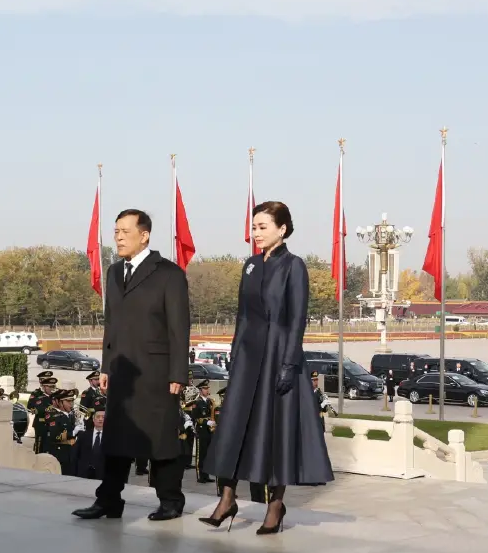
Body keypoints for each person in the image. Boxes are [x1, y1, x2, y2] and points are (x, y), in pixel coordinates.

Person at [201, 201, 334, 534]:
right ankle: (227, 498)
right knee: (234, 428)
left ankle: (275, 506)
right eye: (254, 227)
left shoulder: (294, 266)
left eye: (262, 227)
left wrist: (289, 363)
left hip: (279, 356)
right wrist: (234, 353)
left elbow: (297, 319)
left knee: (276, 432)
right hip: (248, 358)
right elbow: (243, 315)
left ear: (282, 229)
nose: (256, 233)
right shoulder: (250, 265)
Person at [70, 209, 191, 521]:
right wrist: (106, 366)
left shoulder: (169, 273)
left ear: (144, 235)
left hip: (157, 372)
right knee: (116, 439)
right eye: (116, 232)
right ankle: (109, 500)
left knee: (161, 438)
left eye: (125, 231)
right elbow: (111, 324)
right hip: (122, 371)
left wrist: (178, 372)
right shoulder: (114, 272)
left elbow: (179, 328)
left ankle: (170, 500)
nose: (119, 238)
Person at [70, 409, 107, 480]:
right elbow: (75, 455)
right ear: (93, 419)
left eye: (103, 417)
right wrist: (74, 474)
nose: (100, 419)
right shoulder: (83, 435)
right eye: (98, 417)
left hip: (103, 475)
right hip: (84, 475)